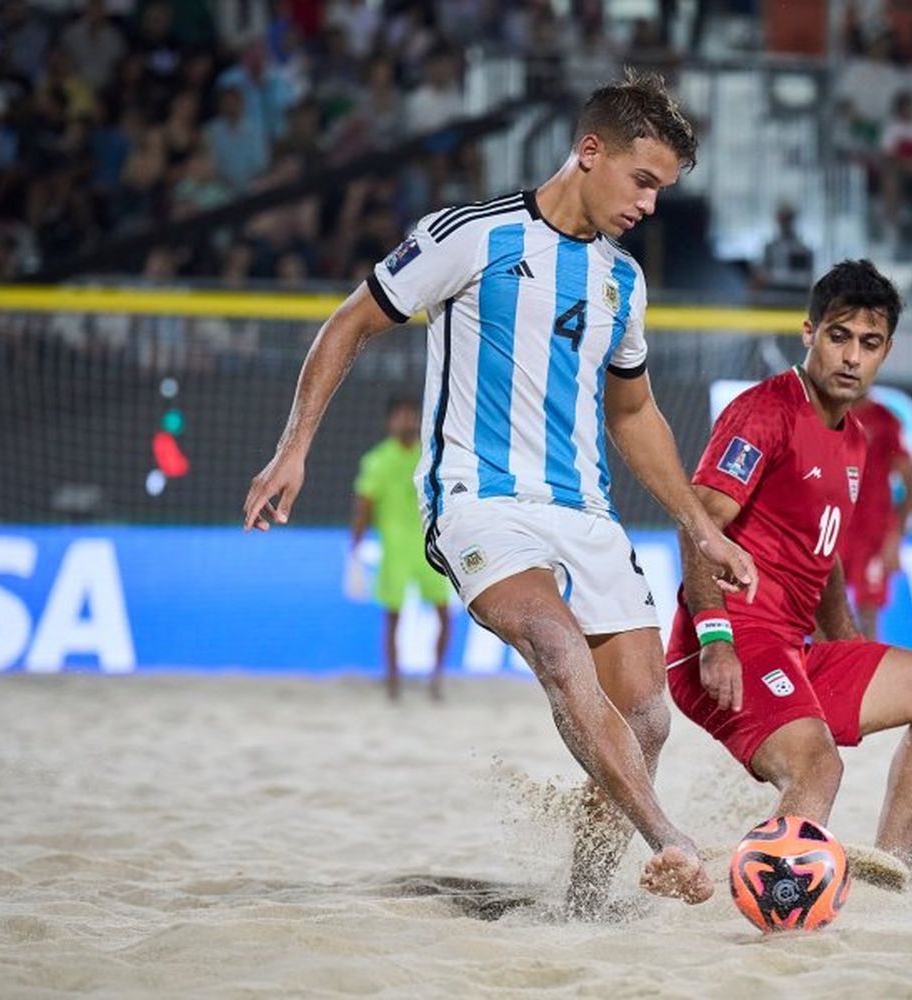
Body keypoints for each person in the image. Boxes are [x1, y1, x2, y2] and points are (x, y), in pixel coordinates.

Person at [241, 72, 756, 912]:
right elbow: (351, 323)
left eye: (662, 189)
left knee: (650, 721)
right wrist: (293, 448)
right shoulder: (469, 236)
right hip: (476, 500)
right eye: (644, 181)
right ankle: (671, 841)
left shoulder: (623, 282)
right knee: (557, 648)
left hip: (584, 513)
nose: (652, 205)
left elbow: (633, 411)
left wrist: (698, 524)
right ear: (590, 151)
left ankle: (583, 906)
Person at [666, 260, 912, 889]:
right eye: (839, 336)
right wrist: (716, 639)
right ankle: (773, 896)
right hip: (730, 642)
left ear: (886, 351)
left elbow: (823, 555)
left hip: (794, 649)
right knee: (819, 768)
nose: (851, 357)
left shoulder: (856, 437)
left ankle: (889, 873)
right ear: (809, 333)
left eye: (868, 343)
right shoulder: (764, 413)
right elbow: (697, 523)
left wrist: (847, 643)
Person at [351, 397, 452, 702]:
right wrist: (354, 552)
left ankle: (435, 678)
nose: (408, 421)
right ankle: (393, 681)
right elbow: (363, 506)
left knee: (444, 615)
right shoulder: (377, 460)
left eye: (412, 415)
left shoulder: (432, 454)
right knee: (392, 617)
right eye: (401, 416)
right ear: (389, 422)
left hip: (430, 546)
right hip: (394, 548)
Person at [840, 394, 912, 642]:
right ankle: (826, 675)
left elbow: (909, 479)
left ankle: (870, 677)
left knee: (868, 614)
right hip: (834, 527)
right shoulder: (827, 415)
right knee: (821, 610)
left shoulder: (884, 420)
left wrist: (896, 536)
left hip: (872, 532)